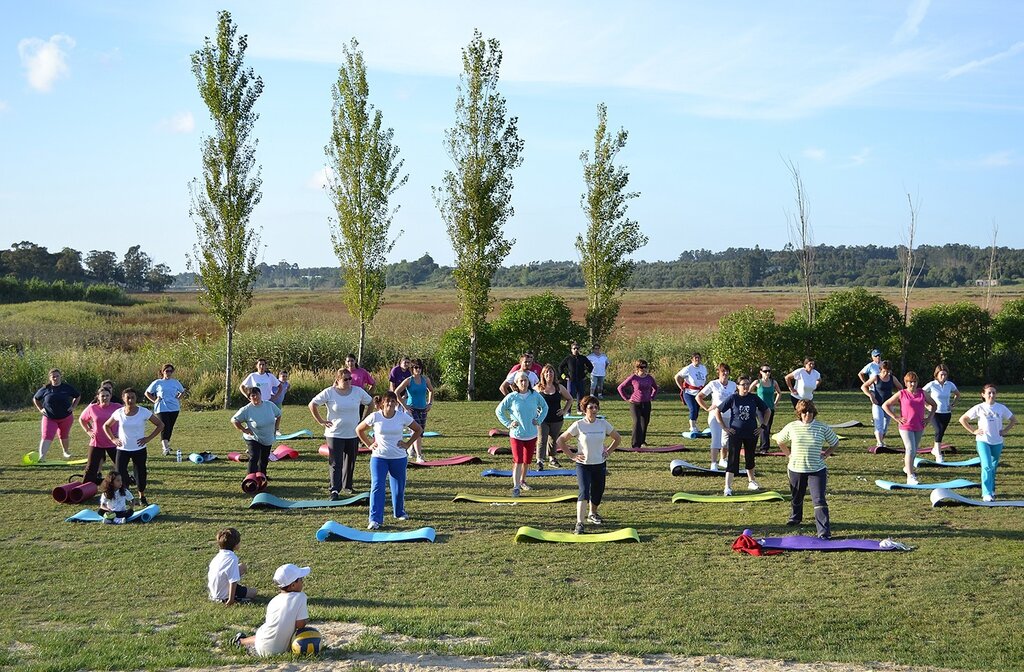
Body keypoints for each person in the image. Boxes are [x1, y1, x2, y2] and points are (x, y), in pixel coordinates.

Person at [773, 400, 839, 539]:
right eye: (804, 412)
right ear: (799, 413)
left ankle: (823, 531)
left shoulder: (822, 427)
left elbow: (834, 442)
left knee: (819, 499)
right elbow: (780, 440)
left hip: (817, 470)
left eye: (810, 412)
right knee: (797, 496)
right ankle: (795, 518)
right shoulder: (792, 427)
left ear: (814, 413)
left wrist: (826, 454)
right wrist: (788, 454)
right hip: (796, 468)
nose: (807, 415)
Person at [356, 391, 422, 529]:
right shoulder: (375, 416)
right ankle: (375, 519)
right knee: (377, 487)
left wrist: (407, 444)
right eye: (388, 401)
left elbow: (418, 429)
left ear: (396, 403)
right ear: (382, 403)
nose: (390, 404)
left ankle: (399, 512)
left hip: (398, 457)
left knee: (399, 488)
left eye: (393, 401)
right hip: (379, 458)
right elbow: (359, 430)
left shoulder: (401, 416)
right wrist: (369, 444)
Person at [556, 395, 621, 535]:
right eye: (591, 407)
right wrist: (572, 455)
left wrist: (608, 451)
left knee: (598, 491)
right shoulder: (579, 425)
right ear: (585, 409)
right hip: (583, 465)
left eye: (596, 407)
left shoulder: (603, 424)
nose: (594, 410)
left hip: (599, 464)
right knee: (584, 491)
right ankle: (579, 523)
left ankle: (593, 513)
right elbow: (560, 440)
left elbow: (617, 438)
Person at [309, 369, 373, 499]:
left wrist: (364, 421)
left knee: (350, 462)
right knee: (336, 462)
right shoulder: (329, 392)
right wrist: (321, 421)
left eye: (350, 379)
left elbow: (370, 403)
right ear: (338, 380)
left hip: (353, 434)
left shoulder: (358, 391)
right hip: (334, 434)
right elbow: (312, 404)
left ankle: (347, 485)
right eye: (345, 379)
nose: (349, 381)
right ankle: (335, 490)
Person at [103, 388, 164, 507]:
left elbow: (160, 424)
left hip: (139, 449)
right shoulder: (119, 412)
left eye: (133, 397)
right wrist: (113, 439)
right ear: (123, 398)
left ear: (136, 398)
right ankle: (124, 496)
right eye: (128, 398)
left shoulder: (143, 412)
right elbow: (106, 426)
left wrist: (148, 438)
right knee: (120, 474)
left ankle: (142, 496)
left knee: (140, 474)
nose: (130, 400)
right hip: (122, 449)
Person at [235, 564, 310, 657]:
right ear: (293, 585)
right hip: (280, 649)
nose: (302, 582)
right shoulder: (301, 597)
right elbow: (300, 624)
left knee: (267, 634)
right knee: (273, 634)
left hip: (262, 646)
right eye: (301, 579)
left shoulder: (274, 601)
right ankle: (241, 641)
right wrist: (306, 620)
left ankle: (241, 641)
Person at [713, 375, 771, 495]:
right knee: (733, 459)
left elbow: (767, 410)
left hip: (751, 433)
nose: (745, 386)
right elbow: (718, 411)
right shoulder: (733, 398)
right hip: (736, 433)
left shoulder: (753, 398)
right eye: (743, 384)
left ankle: (752, 482)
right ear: (738, 386)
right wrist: (724, 427)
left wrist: (763, 427)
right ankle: (727, 487)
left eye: (747, 384)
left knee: (750, 457)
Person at [959, 384, 1017, 502]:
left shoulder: (1001, 408)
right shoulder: (979, 408)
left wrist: (1005, 430)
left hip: (997, 442)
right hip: (983, 441)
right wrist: (973, 431)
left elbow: (1013, 420)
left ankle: (992, 489)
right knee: (986, 466)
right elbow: (962, 419)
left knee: (993, 467)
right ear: (983, 394)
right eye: (989, 393)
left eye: (993, 393)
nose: (991, 395)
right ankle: (986, 493)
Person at [494, 371, 547, 497]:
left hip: (531, 433)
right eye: (521, 381)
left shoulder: (535, 395)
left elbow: (545, 407)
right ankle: (516, 486)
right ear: (516, 383)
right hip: (516, 434)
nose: (524, 383)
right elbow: (499, 411)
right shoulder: (512, 397)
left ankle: (523, 481)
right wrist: (508, 423)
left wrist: (538, 420)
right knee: (518, 460)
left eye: (526, 380)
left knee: (527, 460)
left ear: (529, 382)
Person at [883, 371, 935, 485]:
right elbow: (885, 405)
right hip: (906, 426)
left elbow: (934, 405)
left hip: (919, 425)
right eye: (910, 382)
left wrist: (929, 418)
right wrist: (896, 417)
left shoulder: (922, 393)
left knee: (914, 450)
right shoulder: (902, 393)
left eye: (914, 382)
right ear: (906, 383)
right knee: (910, 449)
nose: (912, 384)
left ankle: (908, 467)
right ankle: (910, 476)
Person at [231, 388, 282, 481]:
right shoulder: (246, 409)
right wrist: (244, 430)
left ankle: (262, 476)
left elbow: (278, 414)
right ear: (249, 398)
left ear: (260, 394)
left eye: (257, 394)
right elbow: (234, 420)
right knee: (254, 456)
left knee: (264, 458)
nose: (256, 397)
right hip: (253, 437)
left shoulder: (269, 405)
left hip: (267, 437)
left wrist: (276, 428)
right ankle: (250, 478)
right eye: (253, 396)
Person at [33, 368, 80, 460]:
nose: (55, 378)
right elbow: (36, 398)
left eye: (57, 376)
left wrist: (73, 407)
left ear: (60, 376)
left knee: (64, 435)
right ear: (50, 378)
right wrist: (41, 409)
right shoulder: (45, 389)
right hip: (49, 417)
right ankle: (42, 457)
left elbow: (77, 396)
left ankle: (66, 452)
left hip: (66, 417)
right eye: (53, 376)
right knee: (46, 435)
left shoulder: (67, 387)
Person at [697, 363, 737, 471]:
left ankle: (723, 459)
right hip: (715, 416)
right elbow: (699, 396)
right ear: (718, 372)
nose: (725, 373)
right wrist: (707, 408)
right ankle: (713, 463)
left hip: (729, 415)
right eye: (723, 371)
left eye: (727, 371)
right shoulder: (713, 384)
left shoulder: (733, 385)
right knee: (716, 438)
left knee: (726, 439)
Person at [394, 359, 435, 463]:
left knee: (420, 432)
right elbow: (396, 392)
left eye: (420, 367)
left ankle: (410, 448)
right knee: (417, 430)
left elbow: (431, 390)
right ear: (412, 369)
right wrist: (405, 405)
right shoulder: (408, 380)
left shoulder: (425, 380)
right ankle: (419, 456)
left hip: (423, 408)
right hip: (412, 409)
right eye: (416, 367)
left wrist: (429, 403)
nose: (418, 370)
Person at [79, 387, 122, 484]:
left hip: (113, 442)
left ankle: (123, 485)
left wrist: (120, 434)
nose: (105, 398)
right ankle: (85, 487)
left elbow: (126, 418)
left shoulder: (117, 407)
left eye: (107, 395)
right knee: (91, 468)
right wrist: (88, 431)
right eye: (102, 396)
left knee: (120, 466)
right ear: (98, 397)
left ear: (110, 396)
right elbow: (82, 419)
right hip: (96, 442)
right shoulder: (92, 408)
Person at [534, 364, 573, 470]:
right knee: (542, 439)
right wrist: (535, 410)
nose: (549, 374)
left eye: (551, 372)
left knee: (553, 439)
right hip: (542, 419)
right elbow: (530, 400)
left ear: (554, 374)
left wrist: (564, 411)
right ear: (543, 374)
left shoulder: (559, 387)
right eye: (546, 372)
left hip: (557, 419)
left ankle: (552, 459)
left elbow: (570, 399)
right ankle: (539, 461)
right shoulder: (538, 388)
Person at [860, 360, 902, 450]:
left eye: (888, 371)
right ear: (880, 370)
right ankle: (880, 443)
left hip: (888, 405)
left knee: (885, 425)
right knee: (878, 424)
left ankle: (881, 441)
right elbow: (863, 386)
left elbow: (901, 389)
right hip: (877, 404)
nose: (886, 373)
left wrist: (896, 399)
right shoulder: (876, 378)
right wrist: (871, 395)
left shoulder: (892, 378)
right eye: (884, 371)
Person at [145, 363, 186, 457]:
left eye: (171, 371)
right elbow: (147, 393)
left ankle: (167, 443)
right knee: (164, 426)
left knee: (170, 427)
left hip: (174, 408)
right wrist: (154, 400)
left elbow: (182, 391)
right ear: (162, 372)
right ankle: (165, 448)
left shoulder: (175, 382)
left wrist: (178, 397)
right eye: (167, 371)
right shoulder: (157, 382)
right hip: (161, 408)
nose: (169, 373)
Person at [617, 359, 659, 449]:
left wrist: (652, 396)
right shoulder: (633, 377)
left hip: (646, 403)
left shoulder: (649, 378)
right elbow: (620, 387)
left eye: (645, 367)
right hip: (635, 403)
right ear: (637, 368)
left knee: (645, 422)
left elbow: (655, 388)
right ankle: (635, 444)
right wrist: (626, 398)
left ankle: (642, 441)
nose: (643, 369)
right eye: (641, 367)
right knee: (637, 422)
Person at [924, 364, 960, 463]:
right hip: (935, 413)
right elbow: (920, 394)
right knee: (938, 430)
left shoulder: (950, 385)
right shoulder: (932, 384)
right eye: (941, 375)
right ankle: (939, 454)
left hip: (946, 413)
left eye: (945, 374)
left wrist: (952, 404)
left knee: (941, 433)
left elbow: (957, 394)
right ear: (936, 375)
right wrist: (927, 405)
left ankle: (935, 449)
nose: (943, 377)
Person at [208, 527, 255, 605]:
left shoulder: (218, 557)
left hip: (214, 591)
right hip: (223, 596)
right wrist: (231, 600)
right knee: (254, 592)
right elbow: (233, 581)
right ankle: (234, 596)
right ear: (235, 544)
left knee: (242, 567)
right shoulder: (232, 559)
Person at [674, 352, 708, 434]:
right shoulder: (688, 368)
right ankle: (692, 427)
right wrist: (681, 387)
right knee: (693, 409)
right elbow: (677, 377)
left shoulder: (703, 368)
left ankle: (695, 425)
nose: (697, 359)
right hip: (689, 393)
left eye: (699, 358)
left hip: (699, 393)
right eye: (695, 358)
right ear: (692, 359)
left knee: (697, 410)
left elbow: (705, 377)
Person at [750, 364, 781, 453]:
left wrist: (775, 403)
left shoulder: (773, 382)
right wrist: (753, 403)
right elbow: (748, 392)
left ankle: (765, 446)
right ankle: (764, 448)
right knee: (764, 426)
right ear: (761, 372)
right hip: (759, 409)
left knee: (767, 427)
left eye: (769, 371)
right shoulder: (757, 382)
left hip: (770, 408)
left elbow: (779, 393)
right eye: (765, 371)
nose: (767, 373)